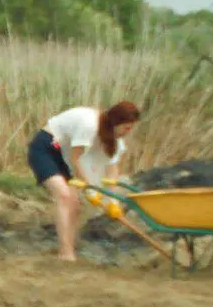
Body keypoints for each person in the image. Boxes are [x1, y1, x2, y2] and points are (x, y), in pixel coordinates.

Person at [26, 101, 142, 261]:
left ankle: (67, 249)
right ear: (117, 122)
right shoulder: (89, 124)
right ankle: (66, 252)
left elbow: (112, 170)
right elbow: (76, 159)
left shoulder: (115, 140)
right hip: (46, 147)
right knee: (64, 196)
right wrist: (90, 189)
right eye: (127, 128)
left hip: (64, 154)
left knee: (75, 205)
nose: (128, 132)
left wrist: (112, 201)